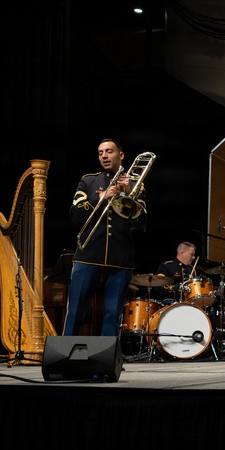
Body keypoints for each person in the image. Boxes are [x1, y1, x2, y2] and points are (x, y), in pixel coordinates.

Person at [64, 138, 145, 337]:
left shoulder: (136, 185)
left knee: (112, 313)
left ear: (121, 155)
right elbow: (75, 214)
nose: (104, 156)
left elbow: (141, 223)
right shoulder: (88, 180)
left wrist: (130, 193)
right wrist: (99, 198)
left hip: (120, 256)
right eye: (100, 153)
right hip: (88, 254)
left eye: (109, 151)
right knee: (75, 310)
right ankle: (66, 358)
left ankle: (106, 362)